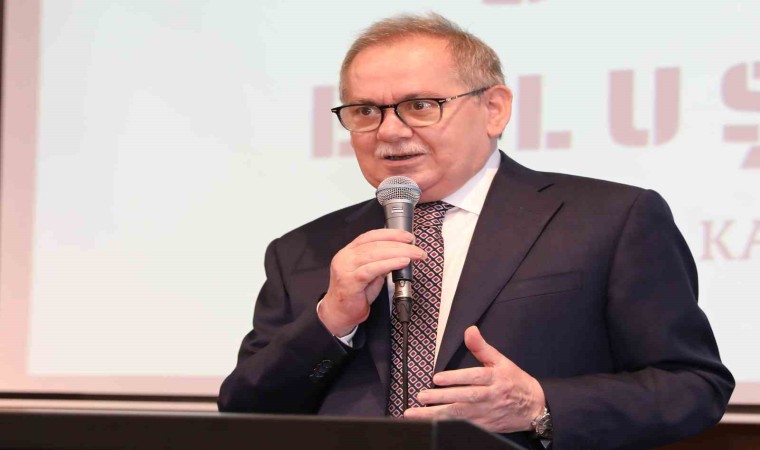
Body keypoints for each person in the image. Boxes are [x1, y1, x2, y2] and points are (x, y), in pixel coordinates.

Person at [218, 13, 734, 449]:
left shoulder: (611, 219)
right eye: (365, 111)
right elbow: (246, 411)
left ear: (494, 109)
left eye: (420, 105)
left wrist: (539, 406)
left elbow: (693, 385)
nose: (390, 130)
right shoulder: (303, 250)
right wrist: (331, 321)